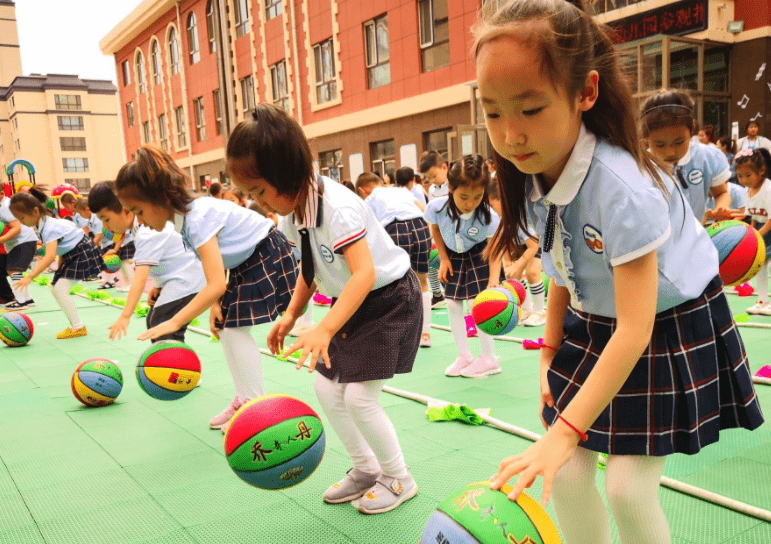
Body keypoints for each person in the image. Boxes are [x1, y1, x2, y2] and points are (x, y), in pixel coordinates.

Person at [473, 2, 764, 544]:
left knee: (628, 488)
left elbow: (636, 329)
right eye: (492, 112)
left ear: (586, 92)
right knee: (567, 472)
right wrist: (548, 349)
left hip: (667, 323)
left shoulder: (622, 187)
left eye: (530, 108)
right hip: (597, 322)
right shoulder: (533, 167)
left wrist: (564, 430)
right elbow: (562, 266)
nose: (510, 134)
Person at [227, 104, 421, 515]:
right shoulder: (292, 214)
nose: (259, 202)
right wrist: (291, 316)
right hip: (355, 303)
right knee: (324, 389)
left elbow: (364, 274)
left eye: (260, 191)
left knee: (359, 399)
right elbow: (310, 270)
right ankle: (366, 468)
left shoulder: (336, 208)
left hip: (389, 301)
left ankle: (399, 477)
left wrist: (325, 328)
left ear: (285, 173)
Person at [114, 145, 298, 433]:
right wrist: (216, 305)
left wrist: (175, 321)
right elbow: (215, 267)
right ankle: (245, 399)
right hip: (243, 260)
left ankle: (255, 406)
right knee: (225, 326)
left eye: (138, 211)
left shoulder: (196, 218)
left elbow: (215, 282)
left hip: (265, 252)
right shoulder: (185, 219)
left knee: (235, 329)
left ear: (161, 198)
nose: (138, 220)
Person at [425, 154, 503, 377]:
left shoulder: (487, 216)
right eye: (464, 196)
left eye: (477, 197)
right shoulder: (436, 208)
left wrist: (494, 281)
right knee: (452, 304)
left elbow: (495, 249)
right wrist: (444, 258)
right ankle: (464, 355)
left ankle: (489, 358)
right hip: (454, 256)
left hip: (481, 256)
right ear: (450, 187)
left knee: (478, 306)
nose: (470, 203)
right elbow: (436, 230)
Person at [10, 188, 103, 338]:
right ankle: (76, 325)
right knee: (56, 289)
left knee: (59, 290)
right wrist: (61, 269)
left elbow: (49, 256)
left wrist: (29, 276)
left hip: (82, 252)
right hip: (73, 253)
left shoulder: (49, 228)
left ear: (35, 211)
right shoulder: (42, 223)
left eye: (22, 218)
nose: (21, 222)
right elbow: (62, 248)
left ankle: (78, 327)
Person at [358, 171, 433, 347]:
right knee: (423, 282)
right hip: (420, 226)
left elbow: (369, 228)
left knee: (395, 284)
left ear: (363, 190)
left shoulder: (370, 199)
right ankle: (425, 334)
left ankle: (398, 335)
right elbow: (425, 209)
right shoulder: (400, 191)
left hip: (396, 228)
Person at [641, 90, 732, 221]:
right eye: (660, 144)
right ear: (646, 137)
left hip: (697, 235)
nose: (670, 152)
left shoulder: (706, 157)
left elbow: (721, 193)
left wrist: (721, 208)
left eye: (679, 142)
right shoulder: (641, 166)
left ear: (691, 129)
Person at [487, 176, 546, 326]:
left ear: (502, 200)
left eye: (492, 205)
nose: (491, 210)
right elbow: (504, 241)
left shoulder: (520, 215)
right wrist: (508, 262)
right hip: (521, 247)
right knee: (513, 275)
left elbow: (533, 246)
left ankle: (540, 311)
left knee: (532, 272)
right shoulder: (500, 219)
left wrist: (519, 264)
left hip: (537, 245)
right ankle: (526, 309)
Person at [734, 148, 771, 315]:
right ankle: (763, 301)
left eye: (748, 175)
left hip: (767, 230)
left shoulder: (768, 190)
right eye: (740, 176)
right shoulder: (747, 191)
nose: (743, 180)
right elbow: (754, 215)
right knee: (760, 267)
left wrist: (758, 234)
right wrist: (751, 230)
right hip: (762, 231)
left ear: (762, 171)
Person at [420, 151, 451, 309]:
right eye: (428, 178)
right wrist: (431, 235)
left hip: (458, 235)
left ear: (444, 167)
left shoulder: (455, 183)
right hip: (440, 235)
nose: (431, 180)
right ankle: (438, 295)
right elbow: (433, 216)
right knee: (431, 263)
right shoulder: (432, 189)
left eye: (433, 175)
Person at [0, 182, 39, 308]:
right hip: (22, 241)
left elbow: (16, 228)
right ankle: (27, 300)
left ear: (1, 194)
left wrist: (1, 240)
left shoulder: (6, 206)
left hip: (23, 241)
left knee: (12, 270)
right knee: (14, 271)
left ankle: (21, 302)